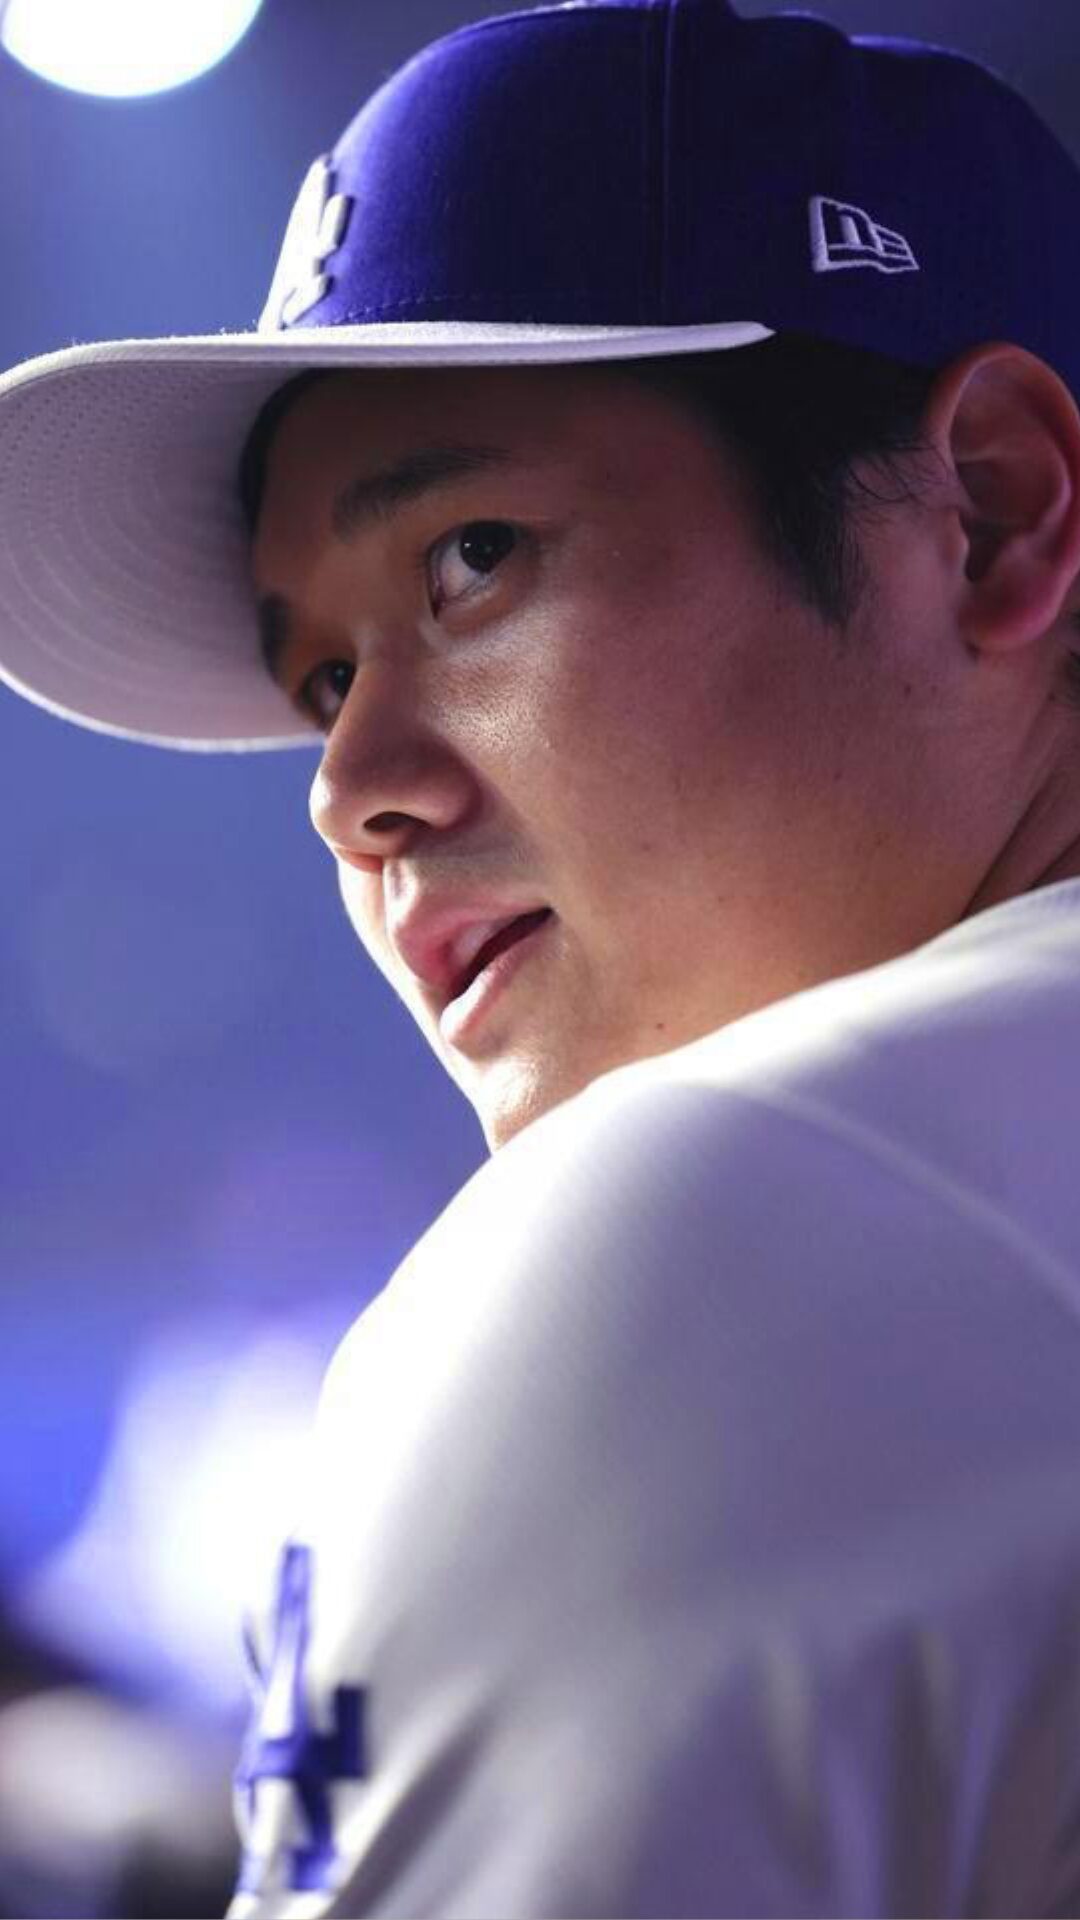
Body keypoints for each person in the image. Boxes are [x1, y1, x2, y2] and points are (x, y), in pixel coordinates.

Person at [3, 0, 1080, 1910]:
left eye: (472, 558)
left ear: (986, 510)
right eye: (320, 680)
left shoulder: (716, 1229)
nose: (349, 793)